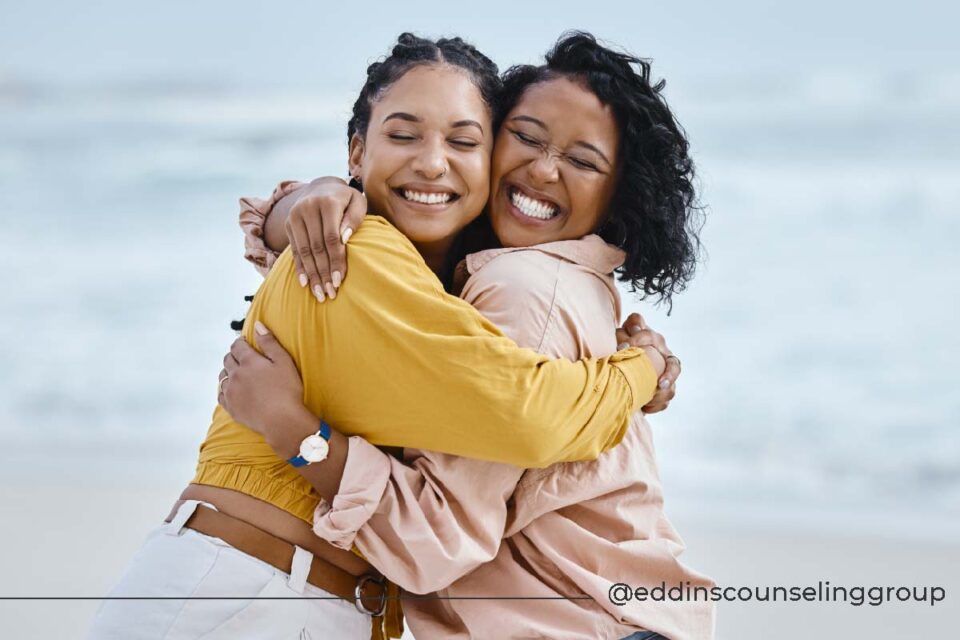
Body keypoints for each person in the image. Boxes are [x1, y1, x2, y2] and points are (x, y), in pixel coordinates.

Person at [86, 33, 672, 640]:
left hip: (298, 599)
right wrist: (641, 370)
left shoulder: (439, 283)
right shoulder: (356, 251)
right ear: (357, 152)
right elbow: (529, 415)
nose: (432, 161)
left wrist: (297, 204)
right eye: (403, 134)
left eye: (463, 140)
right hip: (243, 592)